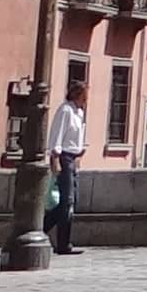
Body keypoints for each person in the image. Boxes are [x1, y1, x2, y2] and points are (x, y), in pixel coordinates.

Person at [46, 79, 90, 253]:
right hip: (64, 157)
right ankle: (62, 243)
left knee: (70, 200)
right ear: (76, 95)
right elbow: (57, 135)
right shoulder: (65, 110)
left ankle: (43, 229)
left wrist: (79, 151)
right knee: (67, 200)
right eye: (84, 96)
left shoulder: (79, 113)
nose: (86, 100)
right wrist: (55, 159)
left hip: (73, 157)